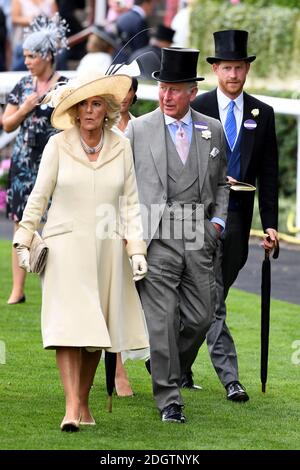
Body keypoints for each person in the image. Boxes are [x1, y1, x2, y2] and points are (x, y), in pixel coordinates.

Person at [13, 71, 149, 431]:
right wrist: (24, 240)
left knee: (95, 335)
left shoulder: (122, 146)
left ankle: (84, 404)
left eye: (96, 104)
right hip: (64, 247)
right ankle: (71, 408)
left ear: (107, 109)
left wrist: (136, 250)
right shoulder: (58, 145)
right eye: (83, 105)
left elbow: (131, 204)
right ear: (74, 111)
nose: (90, 111)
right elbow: (38, 197)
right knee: (68, 328)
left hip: (107, 250)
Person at [126, 47, 229, 423]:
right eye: (163, 88)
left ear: (191, 92)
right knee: (163, 319)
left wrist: (217, 224)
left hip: (199, 235)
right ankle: (170, 398)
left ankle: (164, 363)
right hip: (155, 236)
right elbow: (124, 184)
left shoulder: (211, 129)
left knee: (202, 317)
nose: (166, 96)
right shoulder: (138, 129)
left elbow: (222, 184)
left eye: (175, 89)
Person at [191, 29, 279, 401]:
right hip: (200, 216)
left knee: (211, 296)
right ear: (215, 69)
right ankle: (231, 378)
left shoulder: (264, 112)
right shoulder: (199, 108)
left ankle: (172, 361)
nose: (233, 75)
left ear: (246, 70)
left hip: (240, 218)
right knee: (213, 299)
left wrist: (271, 224)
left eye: (239, 68)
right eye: (226, 67)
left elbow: (270, 173)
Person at [3, 14, 69, 305]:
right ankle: (18, 289)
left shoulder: (65, 85)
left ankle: (53, 288)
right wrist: (26, 108)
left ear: (47, 56)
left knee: (55, 224)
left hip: (55, 163)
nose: (26, 61)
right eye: (25, 56)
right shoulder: (22, 86)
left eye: (31, 56)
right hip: (24, 164)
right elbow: (7, 124)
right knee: (22, 224)